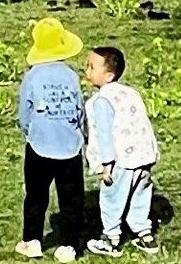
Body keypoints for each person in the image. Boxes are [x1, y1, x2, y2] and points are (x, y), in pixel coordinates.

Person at [16, 16, 88, 259]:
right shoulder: (71, 76)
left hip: (39, 145)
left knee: (36, 195)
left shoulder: (32, 77)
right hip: (70, 145)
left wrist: (29, 132)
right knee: (72, 198)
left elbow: (24, 113)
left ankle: (32, 240)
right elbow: (79, 109)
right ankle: (70, 245)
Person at [83, 43, 160, 254]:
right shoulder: (129, 93)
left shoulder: (101, 101)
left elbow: (105, 135)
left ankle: (111, 238)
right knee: (139, 195)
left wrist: (107, 163)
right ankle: (145, 234)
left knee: (112, 199)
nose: (86, 72)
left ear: (108, 76)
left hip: (121, 161)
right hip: (143, 155)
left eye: (91, 67)